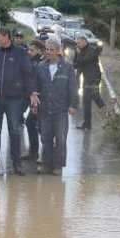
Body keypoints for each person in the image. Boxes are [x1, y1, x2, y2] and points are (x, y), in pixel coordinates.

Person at [0, 27, 39, 174]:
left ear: (6, 36)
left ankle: (17, 163)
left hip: (14, 99)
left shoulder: (20, 53)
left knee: (14, 131)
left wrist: (32, 92)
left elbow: (28, 73)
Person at [33, 37, 78, 174]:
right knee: (45, 138)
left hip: (61, 109)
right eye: (47, 49)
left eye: (51, 50)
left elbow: (72, 87)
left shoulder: (67, 67)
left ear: (58, 51)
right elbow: (36, 87)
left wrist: (73, 105)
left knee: (60, 138)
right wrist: (34, 104)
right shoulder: (40, 66)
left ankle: (58, 166)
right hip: (44, 108)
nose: (48, 52)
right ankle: (47, 164)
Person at [72, 34, 105, 130]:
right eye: (76, 43)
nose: (77, 45)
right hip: (87, 78)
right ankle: (87, 124)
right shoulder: (80, 51)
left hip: (94, 78)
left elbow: (83, 61)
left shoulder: (91, 50)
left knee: (95, 97)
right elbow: (76, 64)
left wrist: (78, 54)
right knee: (86, 102)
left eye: (79, 43)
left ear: (84, 41)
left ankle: (109, 116)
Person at [22, 40, 45, 163]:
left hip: (40, 100)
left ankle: (44, 154)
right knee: (31, 123)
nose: (29, 52)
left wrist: (35, 102)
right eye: (28, 49)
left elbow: (37, 83)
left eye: (32, 50)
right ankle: (34, 152)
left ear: (39, 51)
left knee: (42, 127)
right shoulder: (31, 61)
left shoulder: (40, 63)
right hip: (33, 98)